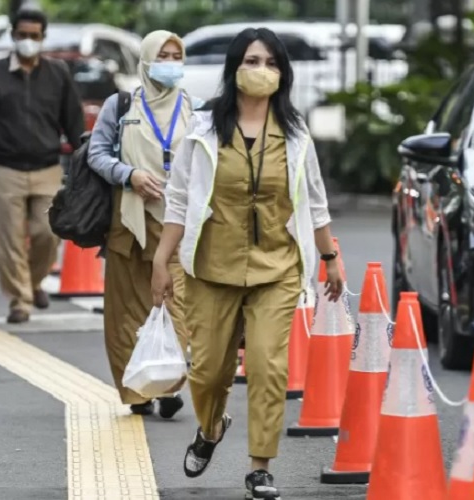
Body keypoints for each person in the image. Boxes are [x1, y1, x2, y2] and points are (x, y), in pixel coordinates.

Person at [150, 27, 343, 499]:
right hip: (210, 268)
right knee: (209, 372)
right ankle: (211, 428)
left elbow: (314, 203)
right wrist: (161, 260)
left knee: (267, 366)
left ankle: (260, 466)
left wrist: (330, 257)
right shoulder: (201, 129)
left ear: (284, 73)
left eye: (272, 63)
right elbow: (178, 201)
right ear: (234, 69)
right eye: (252, 62)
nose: (262, 71)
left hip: (276, 269)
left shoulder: (296, 136)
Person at [87, 30, 203, 418]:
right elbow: (96, 154)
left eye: (176, 56)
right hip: (130, 223)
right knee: (125, 312)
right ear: (146, 61)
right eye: (163, 56)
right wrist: (129, 174)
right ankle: (137, 391)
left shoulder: (196, 109)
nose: (170, 63)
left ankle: (168, 383)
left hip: (180, 227)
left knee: (177, 307)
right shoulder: (121, 105)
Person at [0, 8, 84, 323]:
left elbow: (72, 121)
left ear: (43, 37)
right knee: (10, 241)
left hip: (46, 168)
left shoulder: (58, 73)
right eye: (22, 35)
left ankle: (31, 283)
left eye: (34, 36)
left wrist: (84, 159)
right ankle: (20, 301)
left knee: (47, 233)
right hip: (2, 169)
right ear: (12, 35)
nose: (28, 41)